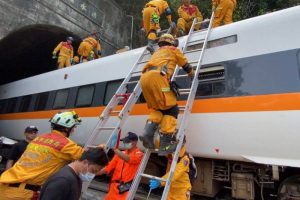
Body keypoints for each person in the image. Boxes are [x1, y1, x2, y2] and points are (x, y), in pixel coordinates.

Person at [0, 111, 84, 200]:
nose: (74, 130)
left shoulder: (37, 139)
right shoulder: (66, 144)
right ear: (67, 129)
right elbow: (88, 158)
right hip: (21, 194)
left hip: (4, 187)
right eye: (73, 127)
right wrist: (100, 147)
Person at [139, 33, 194, 156]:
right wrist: (191, 74)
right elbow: (185, 64)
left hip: (144, 80)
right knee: (172, 109)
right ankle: (165, 145)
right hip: (158, 78)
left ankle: (147, 134)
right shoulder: (173, 50)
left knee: (159, 109)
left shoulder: (156, 53)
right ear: (172, 43)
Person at [39, 147, 108, 200]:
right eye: (93, 170)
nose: (93, 174)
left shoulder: (76, 177)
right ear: (85, 162)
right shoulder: (63, 180)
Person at [97, 132, 144, 200]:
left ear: (134, 142)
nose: (124, 143)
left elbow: (129, 159)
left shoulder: (139, 154)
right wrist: (93, 172)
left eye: (126, 141)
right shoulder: (120, 154)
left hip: (126, 189)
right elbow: (108, 168)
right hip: (114, 188)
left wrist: (115, 149)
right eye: (124, 141)